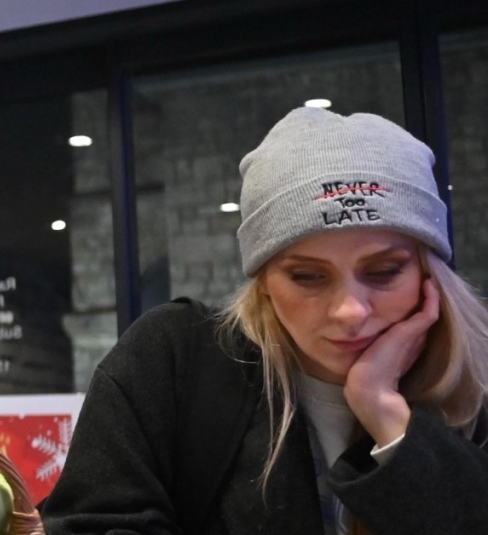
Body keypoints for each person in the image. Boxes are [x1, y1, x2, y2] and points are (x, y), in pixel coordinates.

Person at [40, 107, 488, 534]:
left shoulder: (478, 386)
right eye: (307, 276)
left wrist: (386, 414)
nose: (350, 310)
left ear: (428, 272)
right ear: (264, 281)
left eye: (384, 271)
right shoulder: (174, 363)